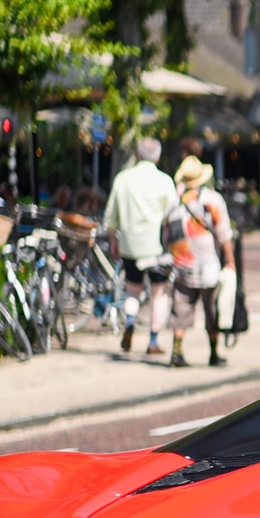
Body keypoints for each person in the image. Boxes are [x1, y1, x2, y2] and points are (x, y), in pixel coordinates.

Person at [104, 138, 176, 357]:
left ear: (137, 155)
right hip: (156, 249)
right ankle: (153, 341)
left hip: (129, 247)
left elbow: (110, 217)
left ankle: (130, 322)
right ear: (157, 157)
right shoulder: (164, 181)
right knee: (159, 293)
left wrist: (114, 241)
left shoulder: (123, 179)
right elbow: (173, 216)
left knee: (132, 289)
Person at [162, 157, 235, 367]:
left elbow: (166, 235)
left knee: (181, 308)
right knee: (212, 308)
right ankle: (214, 352)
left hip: (182, 264)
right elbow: (223, 234)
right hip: (207, 265)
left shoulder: (174, 203)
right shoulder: (212, 200)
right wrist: (230, 260)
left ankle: (176, 351)